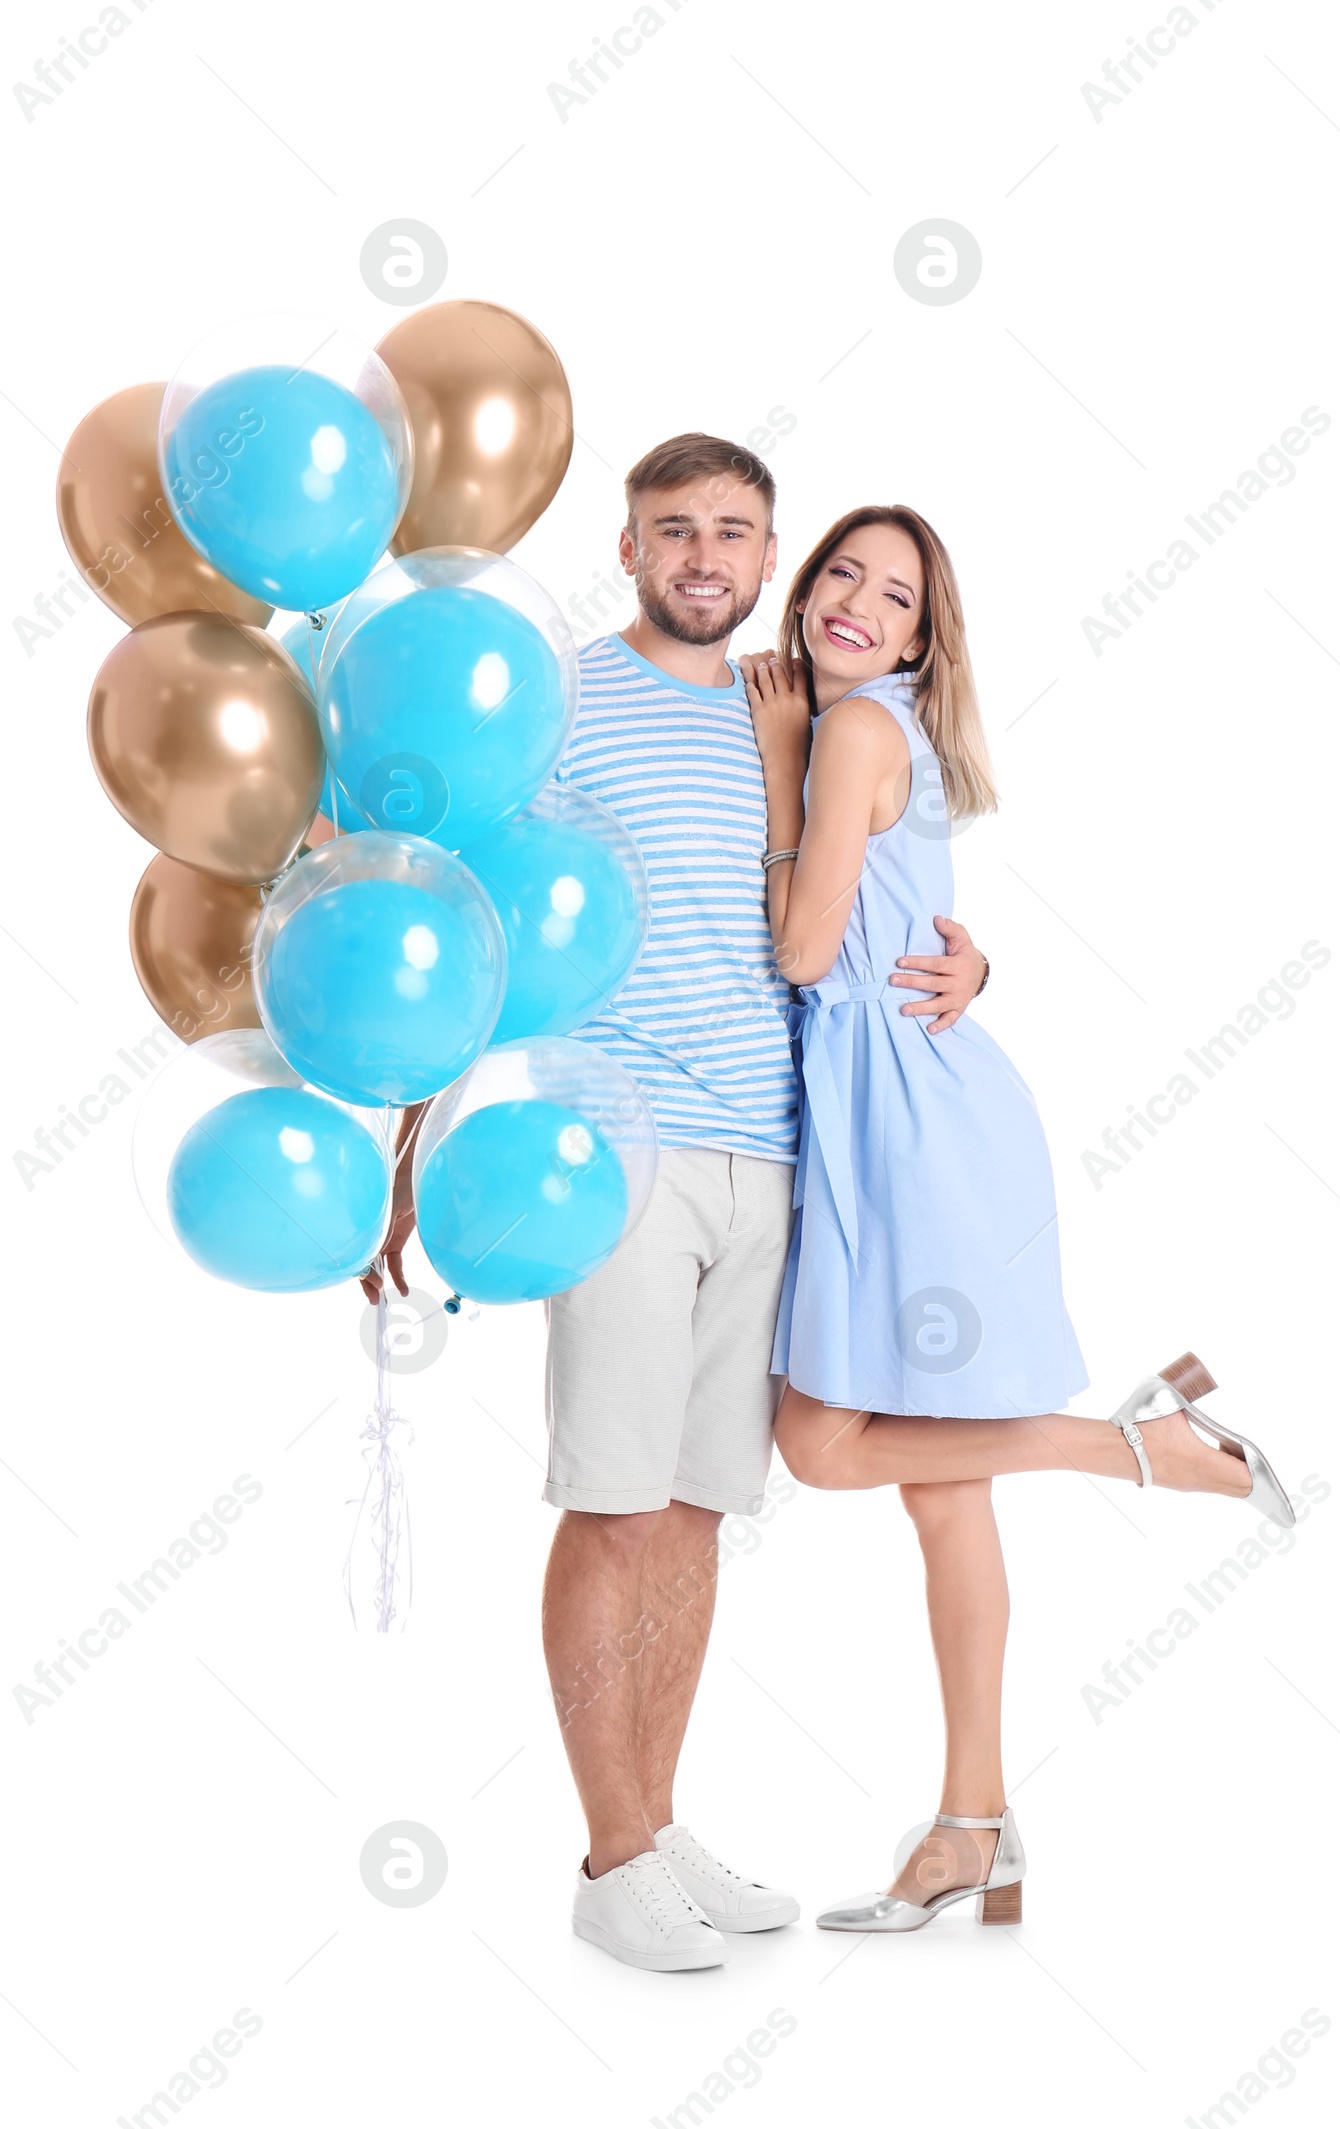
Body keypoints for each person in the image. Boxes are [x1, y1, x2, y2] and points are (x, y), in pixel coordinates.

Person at [363, 440, 989, 1971]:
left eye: (736, 531)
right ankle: (610, 1853)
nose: (706, 555)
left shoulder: (810, 705)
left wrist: (979, 965)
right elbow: (469, 923)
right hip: (610, 1150)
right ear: (629, 542)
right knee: (616, 1498)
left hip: (777, 1155)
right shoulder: (566, 697)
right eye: (675, 530)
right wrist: (402, 1159)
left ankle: (653, 1818)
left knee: (702, 1507)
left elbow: (883, 898)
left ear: (770, 551)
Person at [740, 503, 1297, 1936]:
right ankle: (970, 1829)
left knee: (818, 1441)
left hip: (909, 1136)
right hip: (915, 1112)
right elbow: (893, 933)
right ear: (807, 591)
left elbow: (805, 950)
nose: (859, 601)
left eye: (896, 594)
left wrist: (775, 753)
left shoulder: (850, 731)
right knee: (937, 1487)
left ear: (925, 640)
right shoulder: (887, 735)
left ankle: (1145, 1447)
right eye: (843, 574)